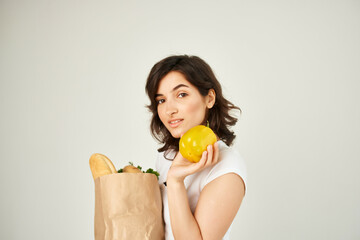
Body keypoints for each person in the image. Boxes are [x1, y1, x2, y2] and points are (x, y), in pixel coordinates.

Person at [145, 55, 247, 240]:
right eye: (161, 100)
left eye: (181, 94)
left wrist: (175, 182)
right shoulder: (168, 155)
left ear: (209, 98)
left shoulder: (227, 166)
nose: (169, 110)